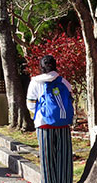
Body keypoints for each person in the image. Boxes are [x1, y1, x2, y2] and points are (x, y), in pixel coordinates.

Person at [26, 55, 74, 183]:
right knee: (64, 159)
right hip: (63, 124)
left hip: (43, 125)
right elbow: (70, 100)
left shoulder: (35, 82)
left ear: (41, 67)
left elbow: (30, 104)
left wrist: (40, 114)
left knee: (47, 160)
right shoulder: (63, 81)